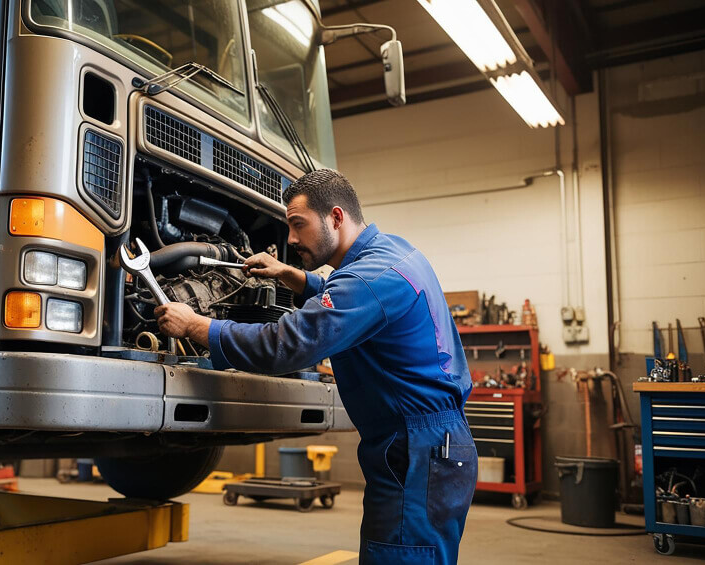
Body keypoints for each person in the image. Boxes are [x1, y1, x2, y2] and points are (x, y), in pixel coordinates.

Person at [154, 169, 477, 564]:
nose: (290, 239)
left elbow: (284, 345)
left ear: (336, 218)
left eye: (298, 225)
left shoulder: (371, 278)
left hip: (417, 450)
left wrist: (198, 326)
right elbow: (354, 298)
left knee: (401, 555)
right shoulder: (391, 252)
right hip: (428, 445)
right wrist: (296, 278)